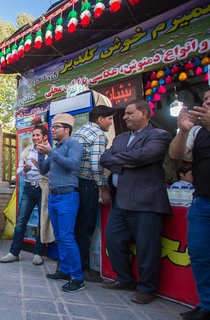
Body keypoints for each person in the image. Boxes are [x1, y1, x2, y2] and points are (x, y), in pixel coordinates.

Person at [100, 99, 172, 304]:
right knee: (113, 241)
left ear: (144, 113)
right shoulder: (121, 139)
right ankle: (125, 279)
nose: (124, 117)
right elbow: (105, 158)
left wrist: (123, 160)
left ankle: (147, 288)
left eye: (129, 113)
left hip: (146, 202)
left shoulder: (159, 135)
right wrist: (128, 161)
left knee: (147, 247)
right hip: (120, 201)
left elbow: (145, 156)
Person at [169, 88, 210, 320]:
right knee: (201, 254)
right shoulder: (197, 130)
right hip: (202, 200)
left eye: (209, 101)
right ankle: (206, 304)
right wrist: (183, 131)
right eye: (204, 100)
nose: (205, 104)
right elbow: (177, 154)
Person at [37, 113, 85, 293]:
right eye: (53, 126)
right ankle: (65, 270)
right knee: (59, 235)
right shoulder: (55, 148)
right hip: (54, 196)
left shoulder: (73, 145)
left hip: (67, 196)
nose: (53, 129)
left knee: (66, 236)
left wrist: (49, 152)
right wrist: (41, 154)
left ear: (67, 129)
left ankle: (77, 278)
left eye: (56, 127)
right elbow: (43, 169)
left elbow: (72, 165)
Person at [71, 105, 115, 282]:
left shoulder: (78, 132)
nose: (111, 123)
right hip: (87, 184)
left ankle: (70, 264)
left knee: (74, 226)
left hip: (74, 183)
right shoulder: (98, 135)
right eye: (110, 119)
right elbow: (96, 165)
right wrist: (103, 188)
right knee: (85, 227)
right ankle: (83, 267)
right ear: (100, 119)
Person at [0, 125, 48, 265]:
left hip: (42, 188)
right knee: (21, 222)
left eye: (38, 135)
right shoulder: (27, 152)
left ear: (44, 137)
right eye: (33, 135)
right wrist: (25, 170)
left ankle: (38, 253)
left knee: (42, 222)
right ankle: (14, 252)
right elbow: (19, 172)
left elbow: (52, 174)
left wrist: (40, 167)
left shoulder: (49, 152)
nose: (35, 138)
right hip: (28, 188)